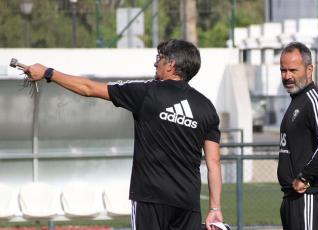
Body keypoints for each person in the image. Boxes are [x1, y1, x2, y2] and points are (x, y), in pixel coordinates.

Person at [25, 39, 223, 230]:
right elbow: (213, 163)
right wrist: (215, 208)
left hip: (150, 198)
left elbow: (88, 88)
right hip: (187, 202)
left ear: (170, 65)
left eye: (159, 57)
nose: (155, 62)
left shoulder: (147, 93)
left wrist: (48, 73)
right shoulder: (206, 108)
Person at [277, 41, 318, 230]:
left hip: (310, 197)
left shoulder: (314, 100)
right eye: (283, 70)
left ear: (309, 69)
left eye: (293, 70)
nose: (287, 76)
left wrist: (305, 177)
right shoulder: (296, 102)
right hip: (292, 198)